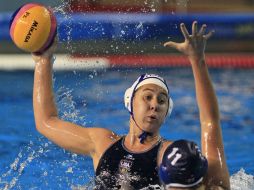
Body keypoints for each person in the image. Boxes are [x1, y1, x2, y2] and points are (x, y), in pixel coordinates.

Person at [32, 21, 230, 189]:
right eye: (148, 97)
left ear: (166, 111)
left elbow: (209, 122)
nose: (155, 105)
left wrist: (197, 61)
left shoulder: (171, 155)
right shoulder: (102, 143)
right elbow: (46, 122)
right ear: (130, 102)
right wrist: (43, 60)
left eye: (162, 101)